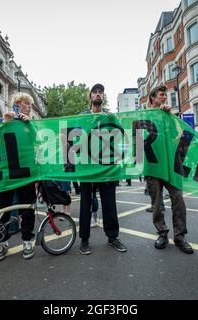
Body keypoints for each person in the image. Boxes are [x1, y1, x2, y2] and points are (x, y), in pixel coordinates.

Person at [78, 83, 127, 255]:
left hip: (107, 167)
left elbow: (121, 137)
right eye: (95, 92)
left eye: (101, 92)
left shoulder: (110, 117)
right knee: (85, 204)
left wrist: (116, 121)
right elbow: (73, 141)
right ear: (90, 96)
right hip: (87, 167)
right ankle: (84, 239)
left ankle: (113, 237)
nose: (98, 94)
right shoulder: (81, 117)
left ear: (103, 97)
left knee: (109, 203)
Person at [145, 86, 193, 254]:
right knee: (156, 203)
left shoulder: (169, 115)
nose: (165, 98)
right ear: (152, 98)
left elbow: (179, 135)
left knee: (178, 198)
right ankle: (162, 233)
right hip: (153, 165)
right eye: (161, 95)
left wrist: (170, 115)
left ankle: (180, 236)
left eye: (165, 95)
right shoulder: (143, 116)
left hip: (172, 163)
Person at [0, 93, 37, 262]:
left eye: (31, 105)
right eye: (28, 104)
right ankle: (2, 242)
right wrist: (4, 123)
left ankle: (27, 241)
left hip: (26, 173)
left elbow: (38, 140)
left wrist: (29, 124)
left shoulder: (28, 123)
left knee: (27, 208)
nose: (30, 108)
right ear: (18, 104)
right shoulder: (1, 121)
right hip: (6, 174)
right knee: (2, 209)